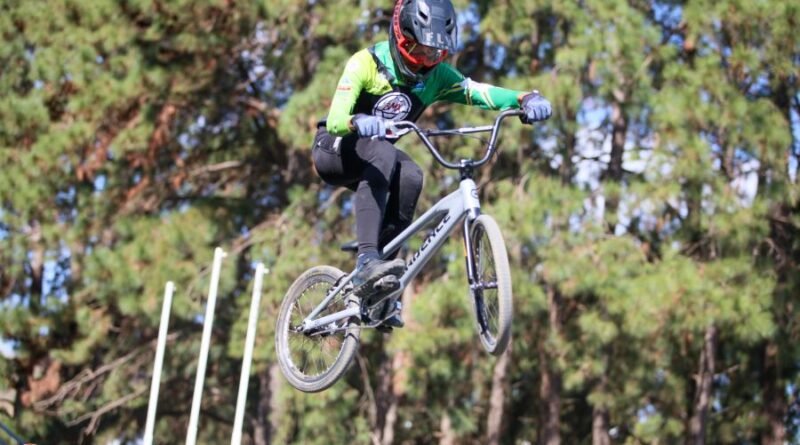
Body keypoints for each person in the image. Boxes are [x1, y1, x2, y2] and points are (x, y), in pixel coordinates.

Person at [311, 0, 552, 329]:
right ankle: (367, 259)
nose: (426, 60)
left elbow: (479, 91)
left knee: (410, 174)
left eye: (434, 54)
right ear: (400, 37)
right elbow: (337, 117)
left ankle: (381, 285)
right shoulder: (366, 63)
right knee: (383, 152)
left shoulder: (437, 77)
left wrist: (524, 98)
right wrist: (357, 121)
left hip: (376, 158)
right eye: (418, 51)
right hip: (335, 149)